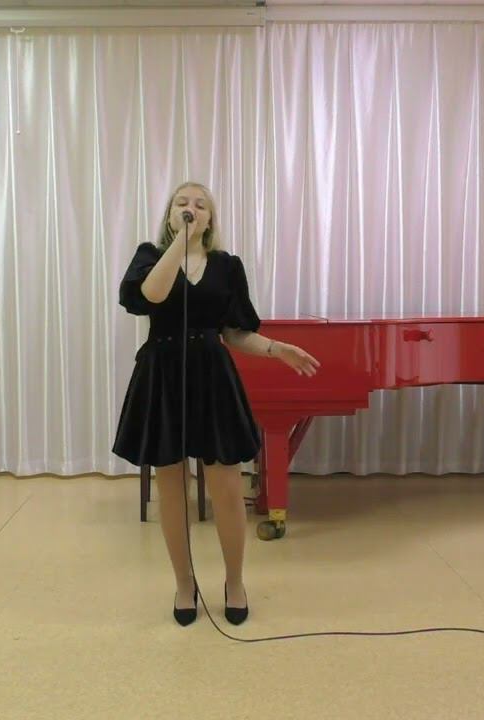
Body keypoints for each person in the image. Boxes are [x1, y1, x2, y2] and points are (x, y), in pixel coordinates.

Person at [112, 181, 320, 627]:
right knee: (172, 489)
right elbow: (150, 296)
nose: (191, 208)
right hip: (162, 378)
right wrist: (180, 244)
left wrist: (275, 348)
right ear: (170, 214)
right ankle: (184, 583)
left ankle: (235, 581)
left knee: (226, 487)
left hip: (212, 377)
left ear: (211, 219)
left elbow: (235, 333)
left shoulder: (227, 266)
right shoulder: (149, 256)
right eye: (182, 203)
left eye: (200, 205)